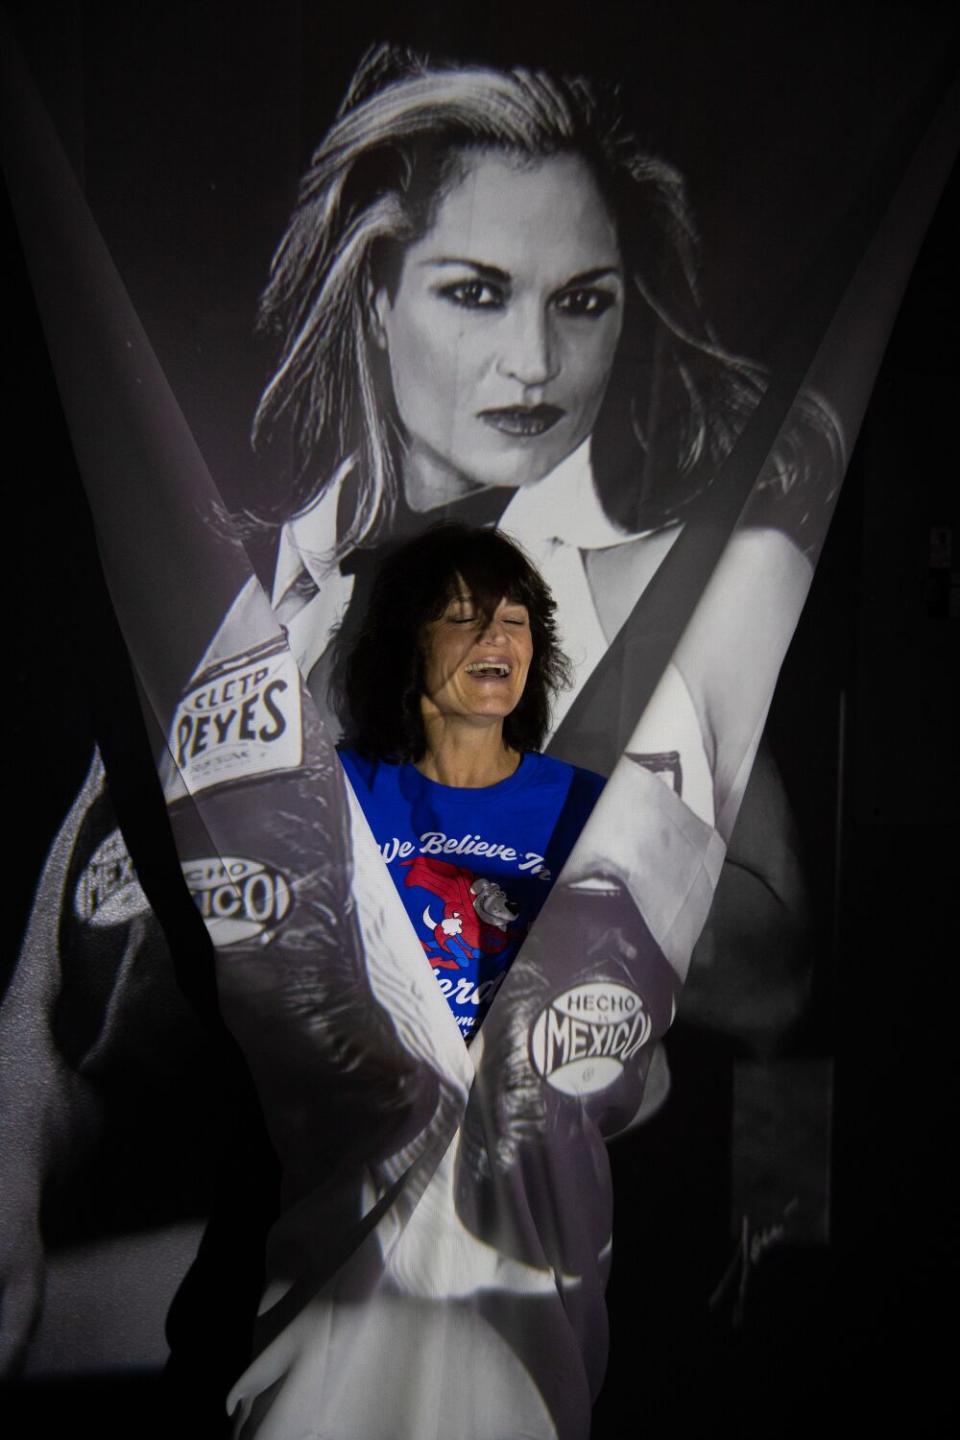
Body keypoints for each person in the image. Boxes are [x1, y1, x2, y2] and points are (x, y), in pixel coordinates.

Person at [334, 524, 606, 1043]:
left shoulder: (589, 807)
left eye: (513, 619)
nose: (496, 636)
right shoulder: (335, 790)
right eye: (464, 617)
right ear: (411, 642)